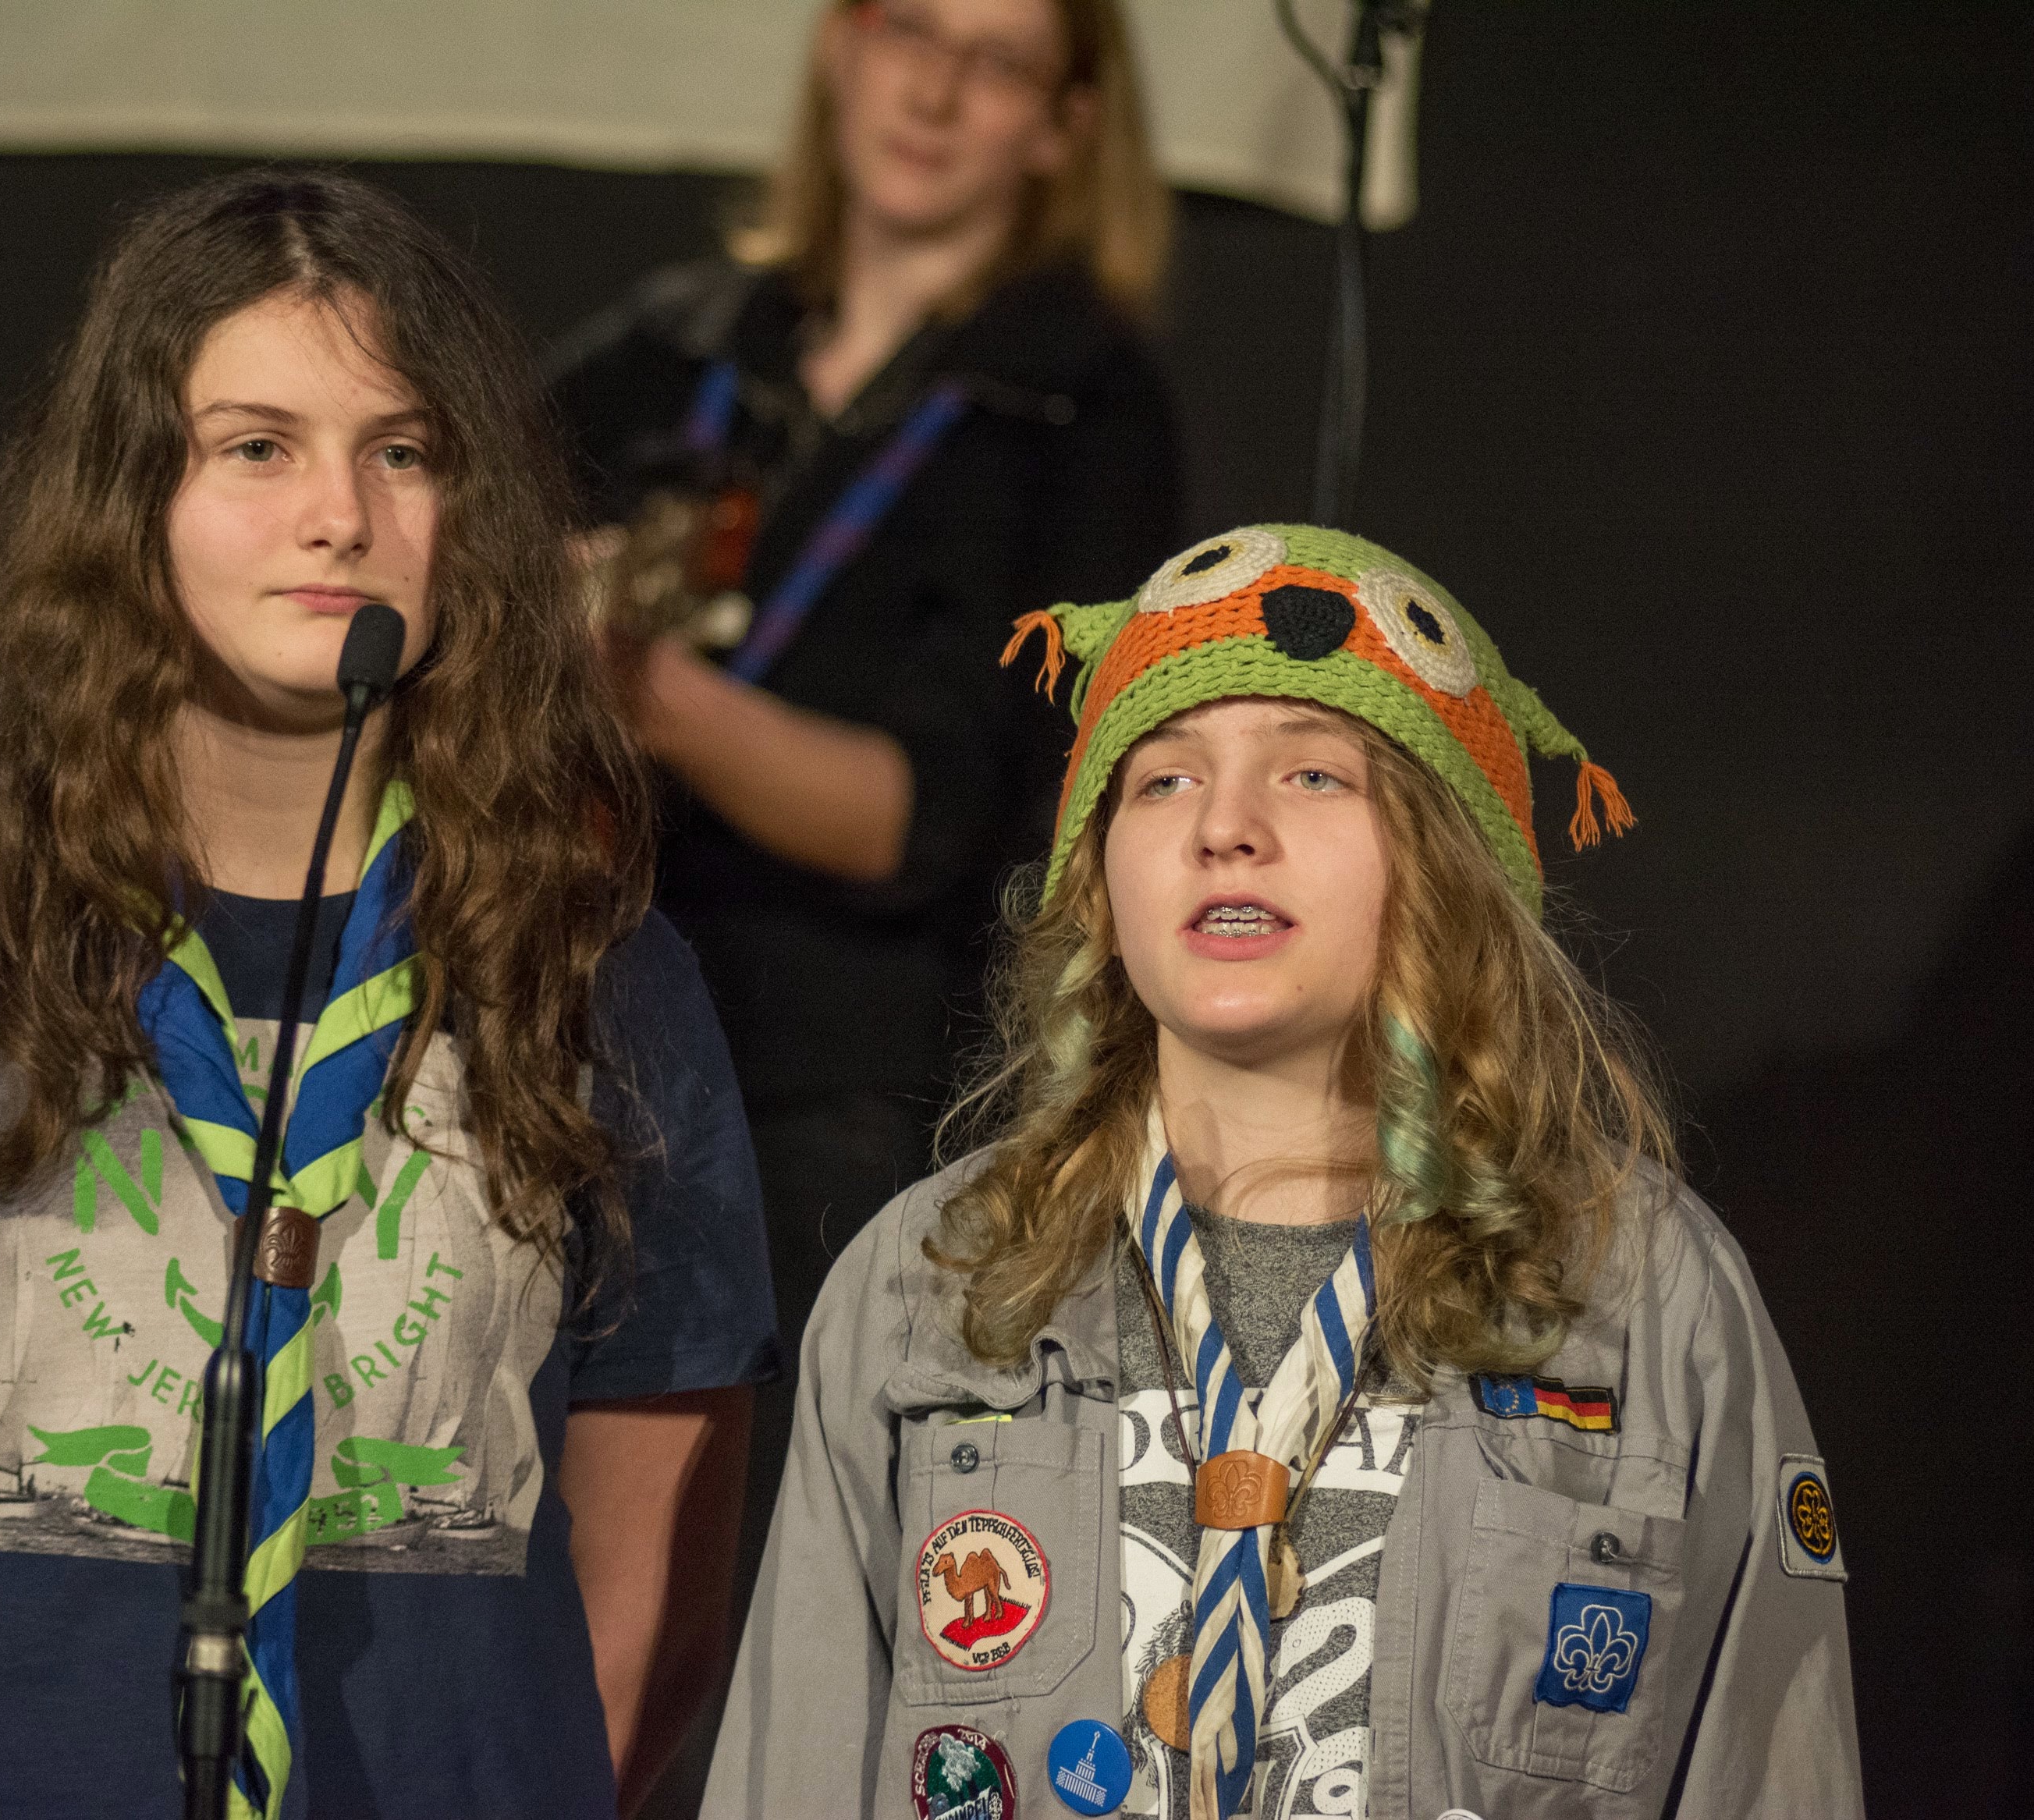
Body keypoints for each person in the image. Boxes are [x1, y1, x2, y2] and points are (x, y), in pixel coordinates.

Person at [0, 169, 777, 1820]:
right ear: (131, 496)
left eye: (404, 452)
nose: (340, 515)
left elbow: (651, 1608)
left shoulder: (597, 973)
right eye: (257, 447)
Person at [707, 526, 1861, 1817]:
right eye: (1163, 779)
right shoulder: (931, 1284)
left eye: (1313, 772)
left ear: (1447, 858)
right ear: (1098, 877)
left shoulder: (1644, 1294)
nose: (1225, 828)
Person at [549, 0, 1183, 1375]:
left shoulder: (1078, 412)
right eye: (909, 31)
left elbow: (922, 822)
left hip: (832, 1088)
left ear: (1065, 125)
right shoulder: (681, 343)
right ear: (842, 44)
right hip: (573, 1033)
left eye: (997, 62)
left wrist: (648, 692)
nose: (934, 95)